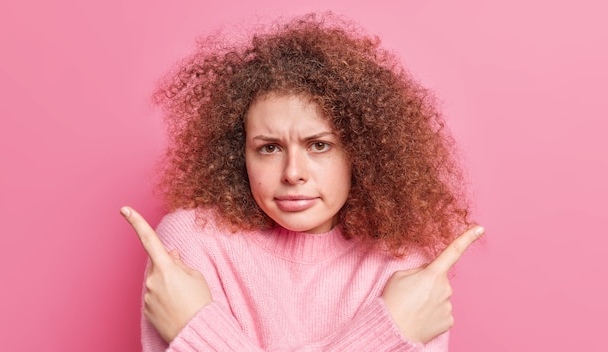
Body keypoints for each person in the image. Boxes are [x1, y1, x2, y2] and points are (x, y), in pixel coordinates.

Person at [120, 12, 483, 351]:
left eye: (319, 145)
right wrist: (387, 334)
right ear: (238, 153)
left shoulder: (403, 266)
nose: (293, 172)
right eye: (270, 148)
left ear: (361, 152)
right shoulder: (192, 242)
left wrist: (198, 330)